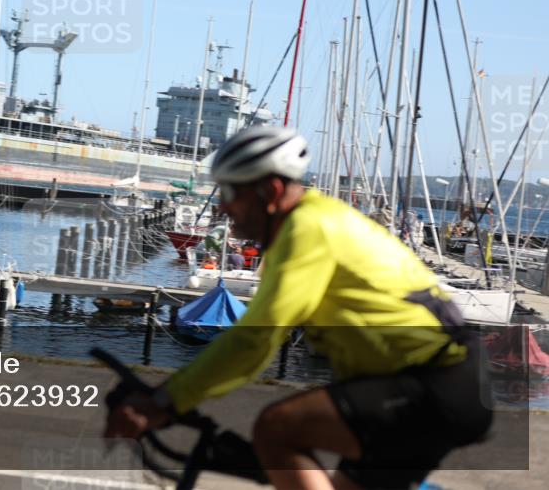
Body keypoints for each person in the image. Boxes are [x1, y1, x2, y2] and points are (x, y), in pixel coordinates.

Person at [104, 126, 491, 490]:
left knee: (278, 429)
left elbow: (253, 342)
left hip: (434, 384)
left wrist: (165, 400)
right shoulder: (313, 220)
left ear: (270, 191)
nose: (222, 207)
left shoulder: (308, 230)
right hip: (442, 382)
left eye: (230, 193)